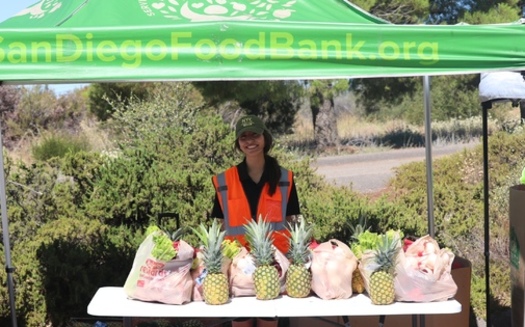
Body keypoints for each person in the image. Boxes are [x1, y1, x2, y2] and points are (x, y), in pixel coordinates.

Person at [211, 115, 300, 327]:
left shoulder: (285, 178)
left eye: (255, 135)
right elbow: (220, 225)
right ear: (238, 143)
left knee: (269, 318)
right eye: (243, 137)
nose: (250, 141)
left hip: (274, 266)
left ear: (265, 138)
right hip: (238, 267)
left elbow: (292, 222)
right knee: (241, 318)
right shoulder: (224, 180)